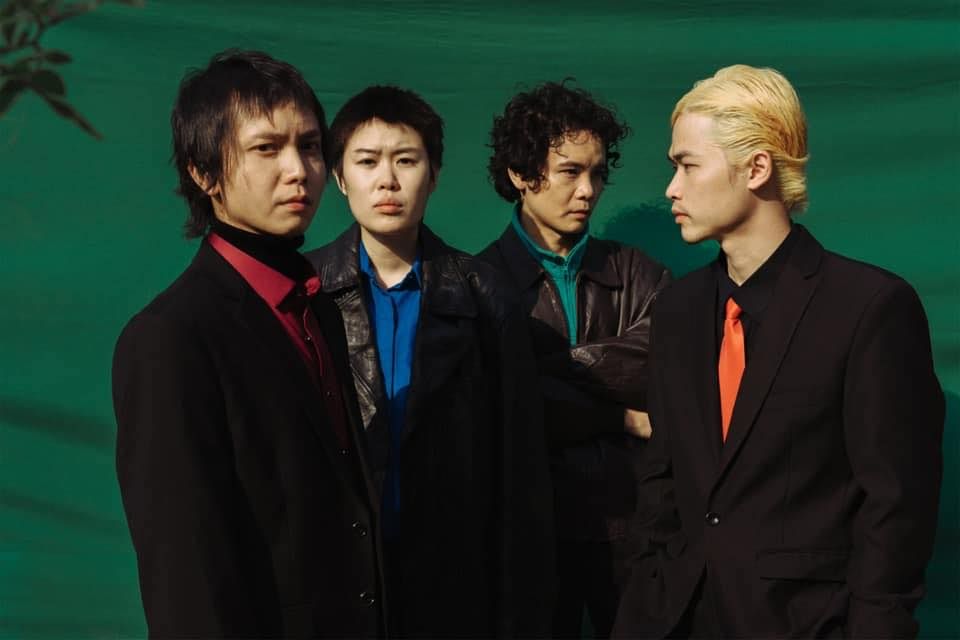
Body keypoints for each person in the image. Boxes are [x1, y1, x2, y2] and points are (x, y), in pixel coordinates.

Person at [613, 64, 944, 639]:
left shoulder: (869, 307)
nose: (671, 188)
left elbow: (895, 507)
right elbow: (663, 482)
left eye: (688, 165)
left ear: (757, 168)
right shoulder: (678, 311)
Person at [112, 50, 385, 638]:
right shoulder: (170, 337)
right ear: (203, 172)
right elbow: (185, 575)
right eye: (266, 148)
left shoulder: (319, 306)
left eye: (309, 146)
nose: (298, 170)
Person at [305, 85, 554, 638]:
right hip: (340, 578)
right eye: (367, 161)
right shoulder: (309, 292)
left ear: (434, 174)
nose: (387, 180)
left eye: (406, 160)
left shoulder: (484, 292)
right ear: (340, 177)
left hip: (453, 579)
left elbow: (519, 465)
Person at [477, 81, 671, 638]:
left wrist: (539, 363)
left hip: (635, 528)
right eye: (569, 171)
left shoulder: (641, 273)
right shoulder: (475, 282)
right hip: (528, 534)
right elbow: (503, 409)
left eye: (598, 173)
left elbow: (658, 369)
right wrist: (621, 418)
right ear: (520, 174)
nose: (588, 190)